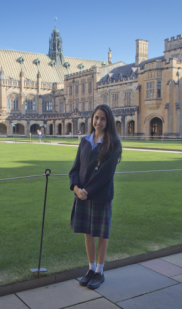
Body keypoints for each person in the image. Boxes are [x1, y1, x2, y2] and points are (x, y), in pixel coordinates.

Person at [69, 104, 122, 290]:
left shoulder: (113, 143)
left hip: (100, 196)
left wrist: (87, 191)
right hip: (82, 194)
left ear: (108, 122)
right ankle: (90, 269)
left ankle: (100, 271)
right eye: (96, 118)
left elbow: (106, 174)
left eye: (103, 119)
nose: (98, 122)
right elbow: (75, 168)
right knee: (88, 232)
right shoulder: (84, 141)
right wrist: (76, 188)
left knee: (101, 234)